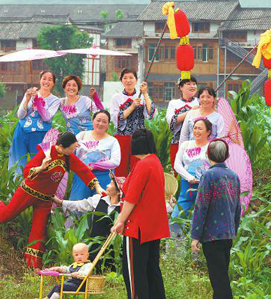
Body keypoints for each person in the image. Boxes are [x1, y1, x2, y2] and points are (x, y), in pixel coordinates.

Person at [0, 132, 103, 268]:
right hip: (28, 192)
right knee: (6, 215)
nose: (74, 151)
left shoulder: (68, 157)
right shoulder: (46, 153)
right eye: (72, 148)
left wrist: (97, 187)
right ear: (61, 146)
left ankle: (33, 266)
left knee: (38, 233)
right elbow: (26, 172)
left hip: (46, 199)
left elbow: (83, 170)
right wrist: (41, 167)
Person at [111, 129, 169, 299]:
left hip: (137, 226)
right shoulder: (155, 161)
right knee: (151, 269)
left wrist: (119, 221)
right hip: (153, 226)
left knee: (134, 272)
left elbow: (131, 199)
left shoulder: (142, 165)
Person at [190, 139, 241, 299]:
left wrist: (195, 236)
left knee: (218, 279)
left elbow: (201, 206)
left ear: (208, 154)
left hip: (212, 235)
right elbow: (237, 207)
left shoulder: (208, 175)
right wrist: (234, 228)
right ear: (226, 155)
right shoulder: (234, 176)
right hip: (228, 233)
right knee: (221, 274)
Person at [54, 179, 120, 272]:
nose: (107, 185)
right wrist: (60, 202)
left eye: (111, 184)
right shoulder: (98, 199)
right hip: (95, 246)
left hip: (115, 249)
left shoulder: (124, 207)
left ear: (118, 191)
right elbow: (79, 205)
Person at [8, 70, 60, 173]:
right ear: (40, 80)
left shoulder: (55, 100)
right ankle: (15, 186)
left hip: (40, 134)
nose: (46, 81)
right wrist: (27, 99)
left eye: (50, 79)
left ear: (53, 83)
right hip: (22, 130)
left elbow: (47, 117)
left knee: (38, 163)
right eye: (44, 78)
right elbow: (20, 115)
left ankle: (34, 187)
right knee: (17, 160)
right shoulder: (30, 93)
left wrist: (38, 100)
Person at [109, 68, 155, 177]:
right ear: (121, 81)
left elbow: (151, 113)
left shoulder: (142, 96)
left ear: (136, 80)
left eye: (131, 78)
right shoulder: (116, 98)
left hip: (139, 138)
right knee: (122, 168)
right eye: (125, 78)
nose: (128, 80)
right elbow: (116, 119)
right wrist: (132, 106)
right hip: (122, 137)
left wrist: (145, 94)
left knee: (138, 167)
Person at [171, 119, 212, 238]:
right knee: (176, 217)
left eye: (200, 128)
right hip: (187, 186)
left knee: (204, 217)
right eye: (195, 128)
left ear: (208, 132)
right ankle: (175, 251)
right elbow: (177, 164)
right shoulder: (186, 145)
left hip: (205, 187)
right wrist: (189, 177)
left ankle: (198, 251)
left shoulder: (211, 147)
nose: (196, 131)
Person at [69, 110, 121, 200]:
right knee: (77, 203)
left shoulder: (112, 141)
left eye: (104, 122)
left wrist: (95, 165)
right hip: (82, 177)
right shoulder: (81, 136)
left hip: (103, 178)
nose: (100, 124)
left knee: (101, 205)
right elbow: (69, 153)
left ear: (108, 124)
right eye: (98, 120)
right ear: (92, 121)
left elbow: (115, 162)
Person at [165, 76, 199, 175]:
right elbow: (171, 121)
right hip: (177, 143)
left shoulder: (200, 101)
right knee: (178, 173)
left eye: (194, 84)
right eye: (188, 84)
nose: (192, 86)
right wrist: (190, 112)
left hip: (196, 145)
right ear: (181, 87)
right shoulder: (174, 103)